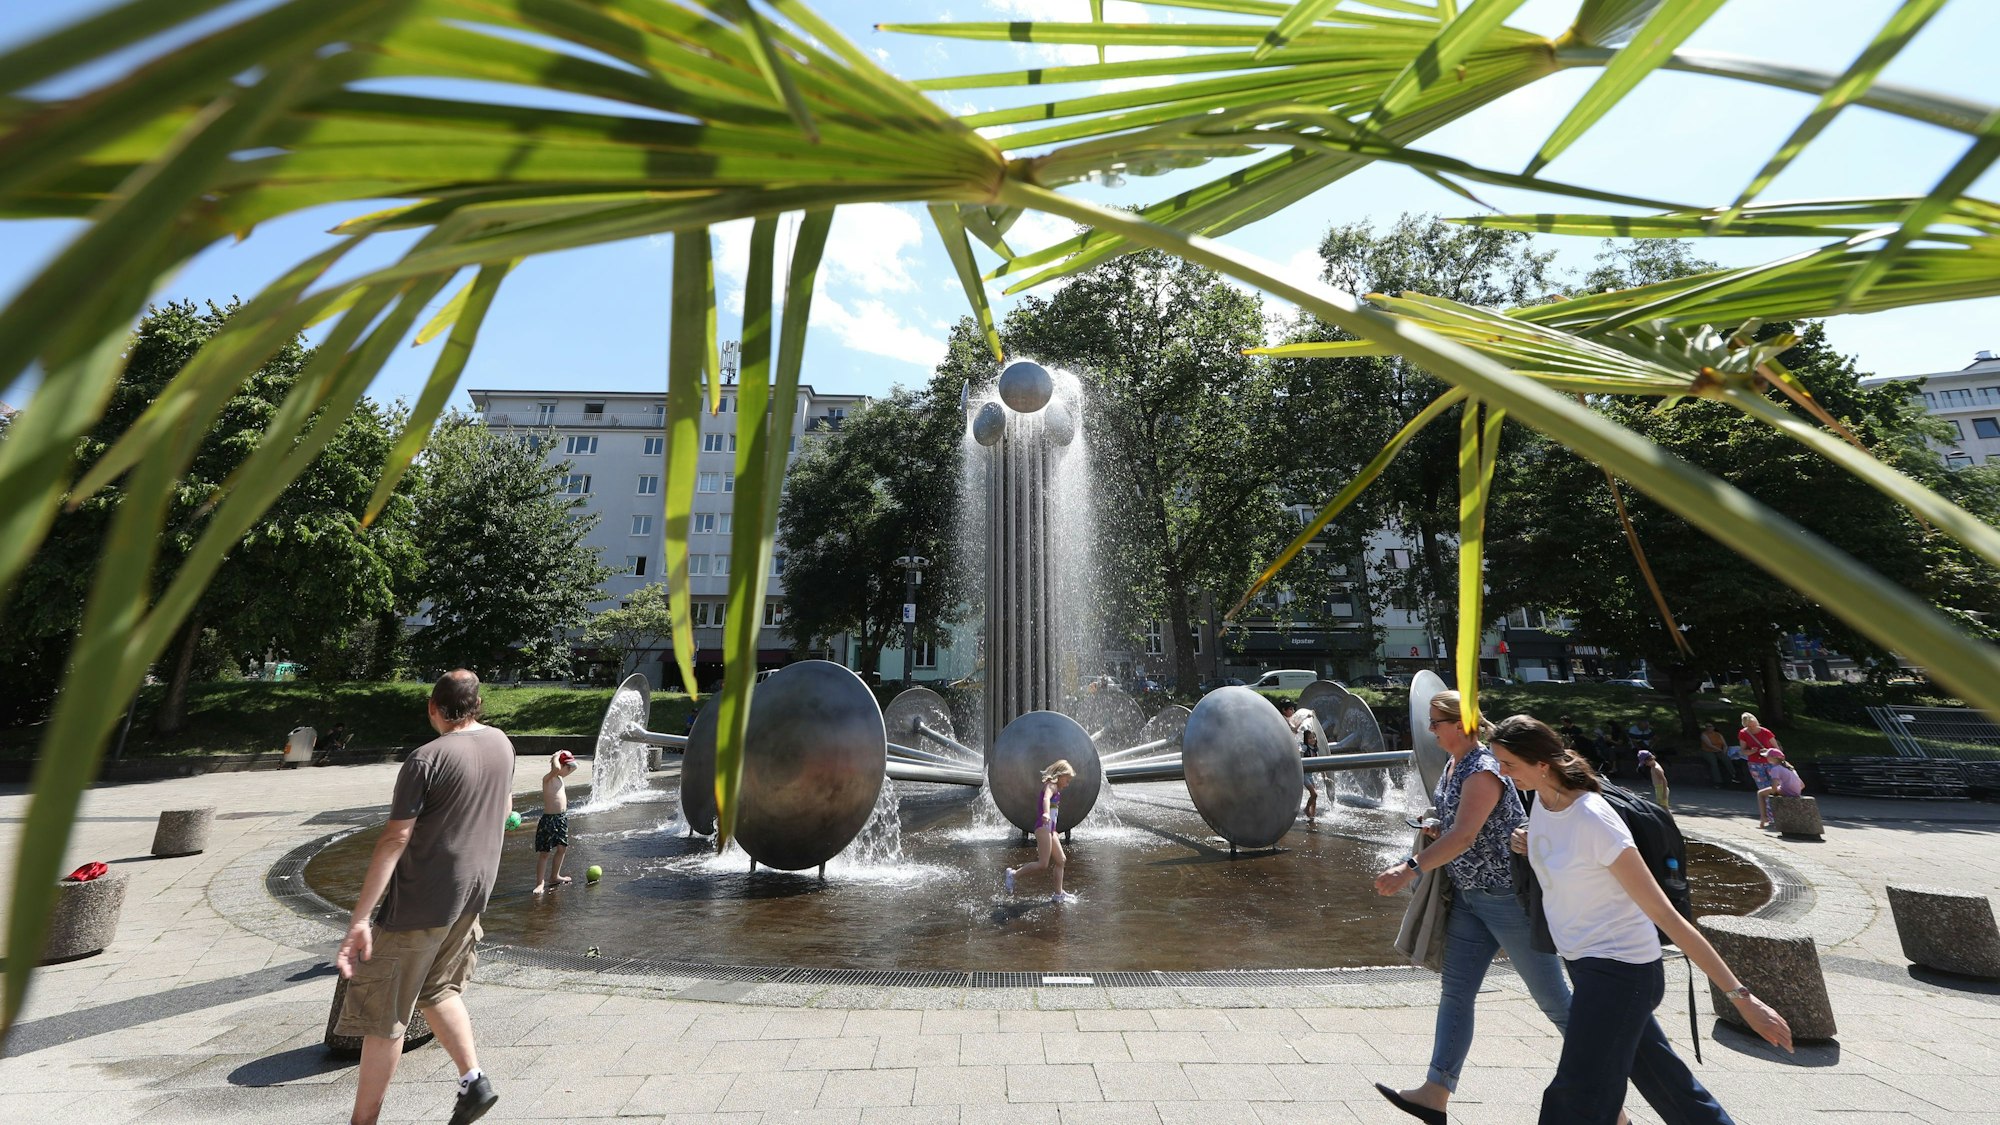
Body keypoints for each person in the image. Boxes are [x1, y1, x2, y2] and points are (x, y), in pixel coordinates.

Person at [1488, 715, 1792, 1124]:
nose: (1501, 774)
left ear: (1541, 763)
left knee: (1575, 1094)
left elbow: (1667, 916)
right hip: (1585, 964)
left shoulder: (1595, 819)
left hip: (1621, 972)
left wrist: (1743, 998)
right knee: (1668, 1085)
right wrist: (1528, 843)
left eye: (1508, 764)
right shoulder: (1543, 801)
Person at [1369, 691, 1578, 1125]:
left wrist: (1408, 868)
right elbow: (1463, 827)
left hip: (1505, 899)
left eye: (1436, 722)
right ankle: (1435, 1092)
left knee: (1555, 1002)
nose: (1429, 730)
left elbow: (1465, 837)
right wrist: (1434, 824)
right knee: (1456, 993)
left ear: (1460, 724)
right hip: (1469, 897)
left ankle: (1610, 1090)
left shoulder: (1482, 768)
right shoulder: (1454, 765)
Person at [334, 670, 515, 1125]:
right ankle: (474, 1079)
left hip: (419, 902)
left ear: (433, 708)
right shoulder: (501, 744)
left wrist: (359, 919)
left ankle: (363, 1121)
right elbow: (506, 809)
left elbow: (395, 839)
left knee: (385, 1018)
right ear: (478, 706)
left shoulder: (425, 758)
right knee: (438, 990)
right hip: (473, 896)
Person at [1005, 760, 1077, 903]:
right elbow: (1045, 799)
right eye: (1067, 780)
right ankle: (1013, 875)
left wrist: (1054, 830)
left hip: (1050, 830)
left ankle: (1058, 894)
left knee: (1061, 860)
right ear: (1060, 775)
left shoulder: (1057, 790)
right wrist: (1045, 813)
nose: (1067, 784)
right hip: (1043, 828)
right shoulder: (1051, 786)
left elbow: (1054, 813)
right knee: (1043, 864)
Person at [533, 751, 580, 893]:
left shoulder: (560, 778)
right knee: (545, 853)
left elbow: (570, 767)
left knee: (562, 848)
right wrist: (555, 757)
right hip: (549, 820)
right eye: (568, 768)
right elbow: (555, 769)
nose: (570, 771)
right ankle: (540, 883)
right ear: (560, 765)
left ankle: (554, 876)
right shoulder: (548, 778)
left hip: (561, 819)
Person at [1279, 700, 1321, 820]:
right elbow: (1295, 730)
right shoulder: (1284, 720)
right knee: (1313, 793)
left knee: (1314, 794)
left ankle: (1312, 815)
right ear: (1284, 710)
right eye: (1290, 709)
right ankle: (1305, 811)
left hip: (1304, 768)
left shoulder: (1284, 719)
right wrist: (1305, 718)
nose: (1292, 711)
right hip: (1291, 759)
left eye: (1293, 709)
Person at [1738, 713, 1782, 817]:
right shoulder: (1743, 733)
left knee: (1776, 787)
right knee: (1763, 788)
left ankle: (1779, 813)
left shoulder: (1766, 732)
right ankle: (1770, 815)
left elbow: (1777, 749)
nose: (1752, 728)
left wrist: (1768, 751)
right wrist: (1751, 751)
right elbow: (1743, 751)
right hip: (1755, 763)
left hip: (1770, 762)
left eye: (1753, 725)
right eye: (1749, 726)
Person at [1755, 749, 1806, 829]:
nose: (1766, 758)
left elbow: (1774, 785)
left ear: (1773, 758)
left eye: (1767, 756)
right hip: (1796, 792)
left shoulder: (1776, 769)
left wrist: (1775, 794)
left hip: (1786, 791)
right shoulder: (1790, 768)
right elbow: (1802, 785)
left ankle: (1764, 817)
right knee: (1771, 791)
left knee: (1760, 793)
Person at [1697, 722, 1729, 786]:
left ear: (1713, 727)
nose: (1708, 728)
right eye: (1707, 726)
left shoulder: (1718, 735)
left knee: (1726, 759)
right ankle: (1718, 781)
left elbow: (1725, 745)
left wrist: (1724, 752)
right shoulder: (1704, 735)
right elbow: (1710, 745)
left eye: (1710, 726)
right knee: (1713, 763)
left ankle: (1734, 775)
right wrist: (1720, 750)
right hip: (1707, 751)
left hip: (1719, 751)